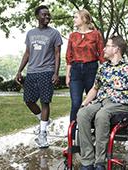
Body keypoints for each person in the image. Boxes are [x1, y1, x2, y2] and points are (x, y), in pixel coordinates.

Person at [76, 35, 128, 169]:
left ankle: (100, 161)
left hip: (121, 104)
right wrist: (84, 103)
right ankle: (87, 161)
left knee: (102, 115)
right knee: (82, 114)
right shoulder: (103, 68)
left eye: (107, 46)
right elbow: (95, 89)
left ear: (116, 49)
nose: (104, 49)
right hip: (101, 101)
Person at [15, 5, 63, 148]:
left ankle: (42, 134)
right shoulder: (30, 33)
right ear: (37, 16)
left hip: (47, 71)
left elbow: (57, 54)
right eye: (44, 15)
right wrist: (19, 70)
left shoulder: (54, 34)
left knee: (45, 102)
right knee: (28, 100)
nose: (47, 17)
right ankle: (44, 120)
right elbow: (27, 53)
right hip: (32, 72)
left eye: (48, 15)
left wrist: (55, 73)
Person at [65, 9, 106, 136]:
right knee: (76, 103)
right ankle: (72, 136)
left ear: (84, 19)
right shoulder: (73, 36)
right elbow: (69, 56)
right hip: (76, 71)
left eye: (76, 17)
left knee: (92, 103)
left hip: (91, 69)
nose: (74, 19)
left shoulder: (96, 34)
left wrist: (104, 74)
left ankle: (92, 132)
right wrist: (68, 75)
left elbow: (102, 55)